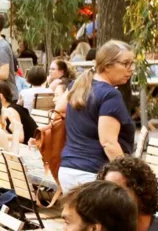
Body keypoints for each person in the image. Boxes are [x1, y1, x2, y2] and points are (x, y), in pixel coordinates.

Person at [58, 41, 136, 190]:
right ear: (107, 65)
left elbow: (60, 107)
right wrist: (129, 177)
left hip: (68, 170)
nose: (130, 69)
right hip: (94, 175)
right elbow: (108, 142)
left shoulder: (80, 85)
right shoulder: (110, 95)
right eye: (125, 63)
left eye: (132, 64)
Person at [0, 79, 38, 145]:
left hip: (31, 147)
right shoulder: (3, 110)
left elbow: (20, 138)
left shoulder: (11, 111)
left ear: (1, 97)